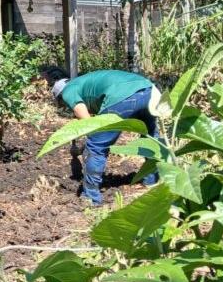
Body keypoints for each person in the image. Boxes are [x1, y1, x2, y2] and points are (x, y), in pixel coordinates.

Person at [47, 68, 161, 205]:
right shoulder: (84, 83)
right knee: (151, 139)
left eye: (62, 105)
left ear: (60, 97)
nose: (65, 108)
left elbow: (84, 115)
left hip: (122, 96)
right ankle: (152, 181)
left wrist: (89, 141)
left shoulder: (68, 90)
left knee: (96, 148)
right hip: (149, 90)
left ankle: (90, 197)